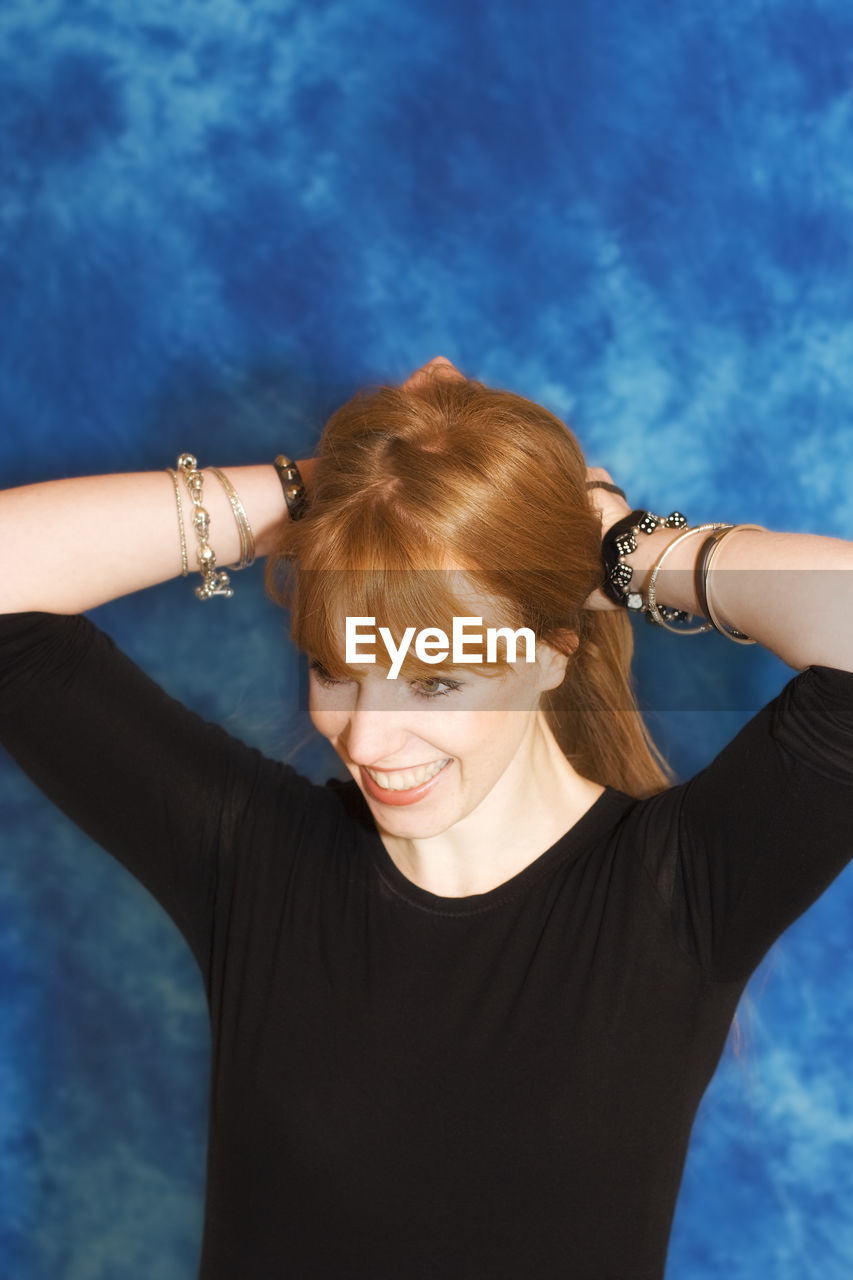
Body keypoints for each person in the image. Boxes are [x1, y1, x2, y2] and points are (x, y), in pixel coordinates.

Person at [0, 355, 851, 1279]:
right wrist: (349, 494)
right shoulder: (253, 860)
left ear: (552, 651)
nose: (366, 738)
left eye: (435, 680)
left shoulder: (680, 891)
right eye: (333, 668)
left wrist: (621, 545)